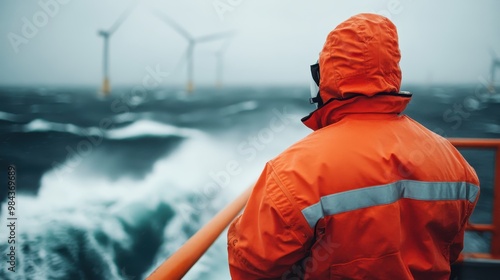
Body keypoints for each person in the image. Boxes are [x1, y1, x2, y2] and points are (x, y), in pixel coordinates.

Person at [227, 13, 480, 279]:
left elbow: (251, 267)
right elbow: (449, 251)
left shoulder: (293, 171)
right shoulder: (454, 162)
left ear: (325, 76)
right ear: (392, 73)